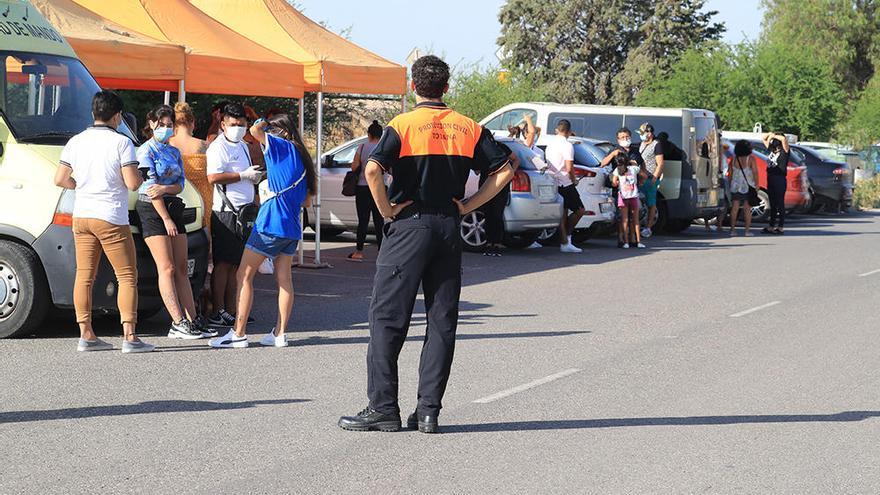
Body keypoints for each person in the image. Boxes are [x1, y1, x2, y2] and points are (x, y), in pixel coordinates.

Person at [338, 55, 514, 434]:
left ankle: (383, 407)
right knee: (441, 319)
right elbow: (504, 170)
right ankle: (429, 411)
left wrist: (386, 210)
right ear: (446, 88)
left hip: (409, 225)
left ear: (413, 87)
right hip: (448, 226)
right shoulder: (468, 127)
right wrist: (467, 206)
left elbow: (372, 169)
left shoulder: (402, 125)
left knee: (387, 318)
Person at [53, 90, 154, 353]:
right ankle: (130, 336)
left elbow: (60, 179)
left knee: (84, 276)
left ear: (93, 113)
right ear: (118, 116)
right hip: (111, 216)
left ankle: (86, 334)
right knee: (127, 275)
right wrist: (141, 177)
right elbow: (132, 183)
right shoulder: (122, 143)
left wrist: (82, 185)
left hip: (82, 214)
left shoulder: (76, 141)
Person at [209, 114, 316, 349]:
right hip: (291, 227)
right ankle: (279, 334)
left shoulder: (280, 145)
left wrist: (263, 121)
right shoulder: (302, 157)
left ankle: (238, 333)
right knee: (284, 279)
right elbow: (307, 201)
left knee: (243, 276)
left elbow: (256, 132)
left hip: (270, 223)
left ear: (281, 132)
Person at [135, 105, 206, 339]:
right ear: (152, 124)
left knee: (182, 268)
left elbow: (180, 184)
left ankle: (193, 318)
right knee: (166, 267)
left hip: (173, 205)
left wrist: (166, 188)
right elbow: (150, 188)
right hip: (153, 210)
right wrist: (165, 218)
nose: (165, 129)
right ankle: (177, 322)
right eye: (161, 124)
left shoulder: (173, 152)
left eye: (169, 125)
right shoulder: (146, 151)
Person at [206, 102, 263, 328]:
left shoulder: (242, 145)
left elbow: (247, 174)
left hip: (244, 211)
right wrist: (243, 175)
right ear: (223, 124)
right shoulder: (218, 146)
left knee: (237, 264)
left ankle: (233, 309)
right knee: (223, 264)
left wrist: (253, 181)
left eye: (241, 124)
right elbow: (213, 177)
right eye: (233, 124)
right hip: (226, 212)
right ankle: (218, 310)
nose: (238, 128)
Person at [544, 119, 586, 253]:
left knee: (563, 212)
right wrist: (574, 180)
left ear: (557, 130)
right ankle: (567, 238)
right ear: (569, 131)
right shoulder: (567, 145)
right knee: (579, 210)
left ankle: (564, 242)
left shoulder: (550, 144)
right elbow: (569, 167)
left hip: (553, 180)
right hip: (565, 182)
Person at [601, 127, 646, 248]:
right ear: (618, 139)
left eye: (627, 137)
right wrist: (612, 154)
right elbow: (603, 163)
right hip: (620, 190)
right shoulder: (615, 150)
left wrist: (642, 179)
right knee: (622, 216)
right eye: (622, 137)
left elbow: (642, 168)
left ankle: (634, 239)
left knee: (635, 215)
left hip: (633, 188)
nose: (625, 139)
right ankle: (622, 239)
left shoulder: (635, 151)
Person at [169, 102, 212, 227]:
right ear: (192, 122)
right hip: (203, 201)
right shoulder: (204, 146)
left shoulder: (166, 145)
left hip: (175, 197)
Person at [348, 120, 385, 261]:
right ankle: (382, 251)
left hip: (363, 187)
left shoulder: (362, 147)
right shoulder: (384, 148)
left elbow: (354, 166)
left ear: (369, 134)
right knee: (379, 220)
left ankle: (359, 251)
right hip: (380, 188)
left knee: (362, 220)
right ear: (381, 135)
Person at [480, 142, 518, 257]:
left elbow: (516, 159)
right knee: (487, 213)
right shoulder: (480, 149)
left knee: (497, 213)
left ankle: (496, 243)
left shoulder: (501, 146)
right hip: (485, 183)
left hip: (501, 184)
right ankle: (488, 242)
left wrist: (511, 173)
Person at [611, 153, 647, 249]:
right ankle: (638, 242)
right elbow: (644, 175)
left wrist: (618, 182)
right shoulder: (633, 169)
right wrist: (640, 182)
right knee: (635, 220)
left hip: (623, 197)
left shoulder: (616, 170)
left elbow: (614, 183)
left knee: (624, 220)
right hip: (633, 196)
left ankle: (626, 242)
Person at [638, 123, 665, 238]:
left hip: (650, 178)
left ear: (649, 133)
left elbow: (660, 163)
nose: (641, 135)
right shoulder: (642, 144)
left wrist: (654, 178)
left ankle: (648, 227)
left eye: (643, 133)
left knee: (651, 203)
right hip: (640, 177)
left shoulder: (656, 145)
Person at [728, 140, 759, 236]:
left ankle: (732, 230)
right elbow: (755, 173)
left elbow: (730, 174)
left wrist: (730, 184)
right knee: (747, 209)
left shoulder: (733, 159)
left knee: (734, 208)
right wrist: (757, 184)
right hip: (747, 186)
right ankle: (747, 231)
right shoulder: (751, 159)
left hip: (735, 186)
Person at [762, 132, 789, 235]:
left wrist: (775, 136)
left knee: (780, 203)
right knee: (772, 203)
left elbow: (783, 140)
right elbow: (764, 139)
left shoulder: (785, 151)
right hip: (771, 178)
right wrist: (770, 134)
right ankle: (771, 226)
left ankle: (780, 226)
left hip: (780, 179)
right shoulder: (772, 150)